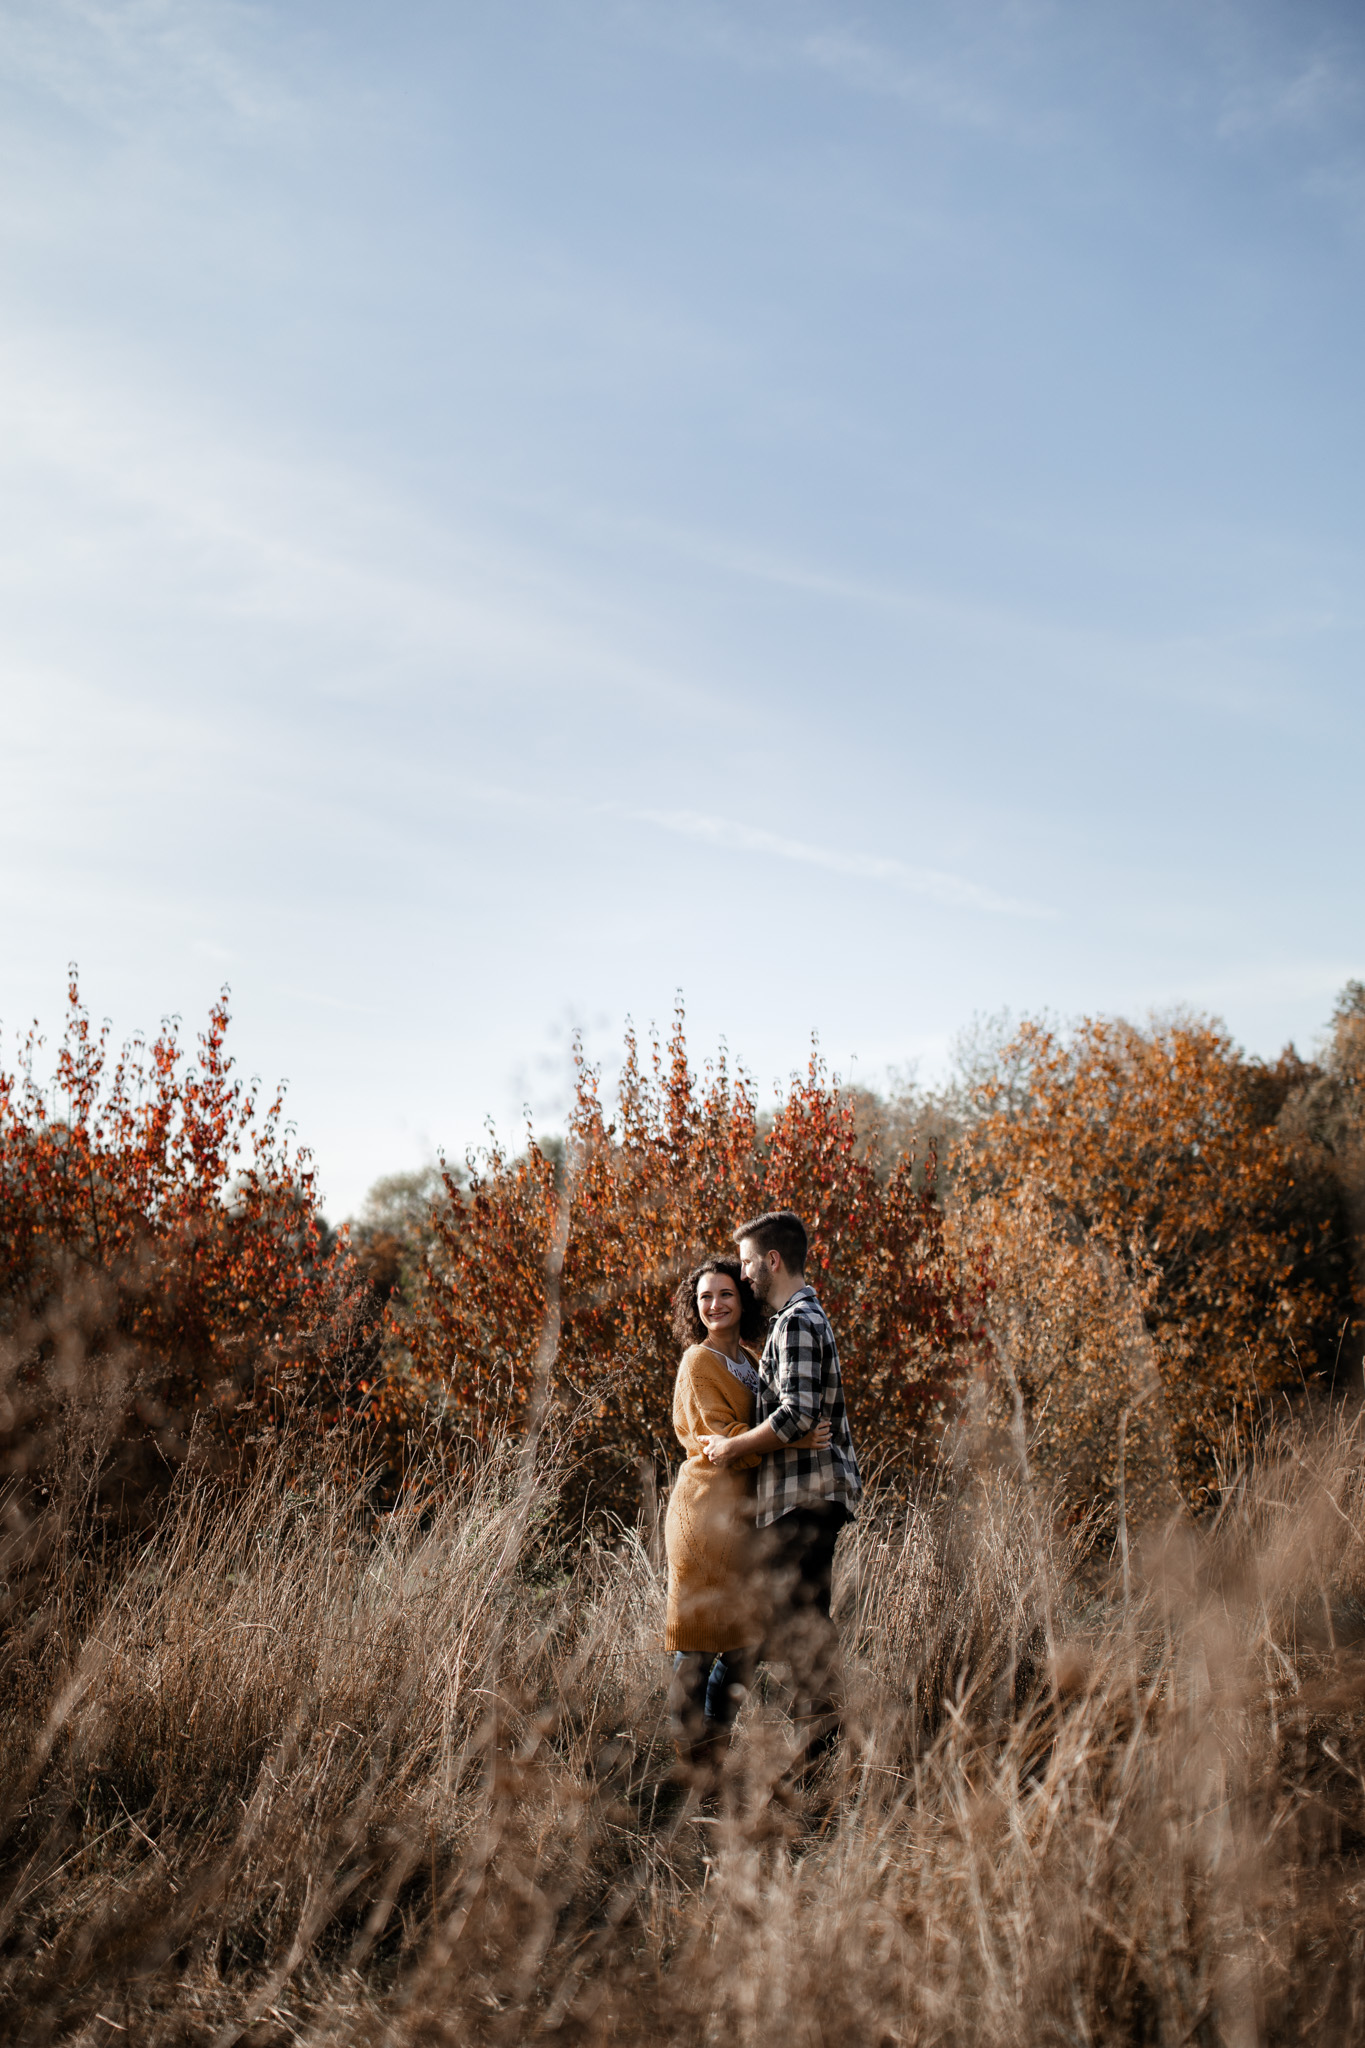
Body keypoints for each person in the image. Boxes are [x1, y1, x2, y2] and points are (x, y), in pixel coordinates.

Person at [701, 1209, 861, 1772]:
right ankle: (822, 1760)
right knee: (805, 1626)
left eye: (747, 1263)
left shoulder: (796, 1322)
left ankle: (707, 1748)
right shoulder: (799, 1319)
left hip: (803, 1498)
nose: (744, 1276)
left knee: (768, 1623)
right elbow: (799, 1417)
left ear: (772, 1260)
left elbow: (796, 1414)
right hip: (805, 1493)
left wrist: (733, 1447)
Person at [664, 1256, 830, 1788]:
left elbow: (757, 1427)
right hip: (703, 1512)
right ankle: (692, 1764)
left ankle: (711, 1753)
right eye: (705, 1297)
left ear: (744, 1300)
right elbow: (720, 1441)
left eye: (725, 1294)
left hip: (743, 1518)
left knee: (741, 1641)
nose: (714, 1304)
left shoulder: (752, 1359)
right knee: (696, 1639)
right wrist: (794, 1435)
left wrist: (783, 1433)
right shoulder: (698, 1361)